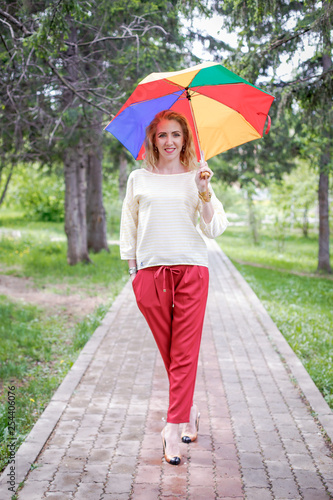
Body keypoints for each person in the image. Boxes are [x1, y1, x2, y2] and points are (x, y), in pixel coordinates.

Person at [120, 110, 229, 465]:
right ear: (153, 139)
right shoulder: (138, 178)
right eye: (163, 135)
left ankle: (172, 426)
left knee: (184, 351)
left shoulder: (198, 175)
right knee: (170, 350)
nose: (169, 141)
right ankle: (191, 409)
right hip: (150, 271)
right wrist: (133, 269)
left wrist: (205, 192)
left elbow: (215, 230)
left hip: (192, 269)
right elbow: (129, 224)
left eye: (176, 135)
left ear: (185, 139)